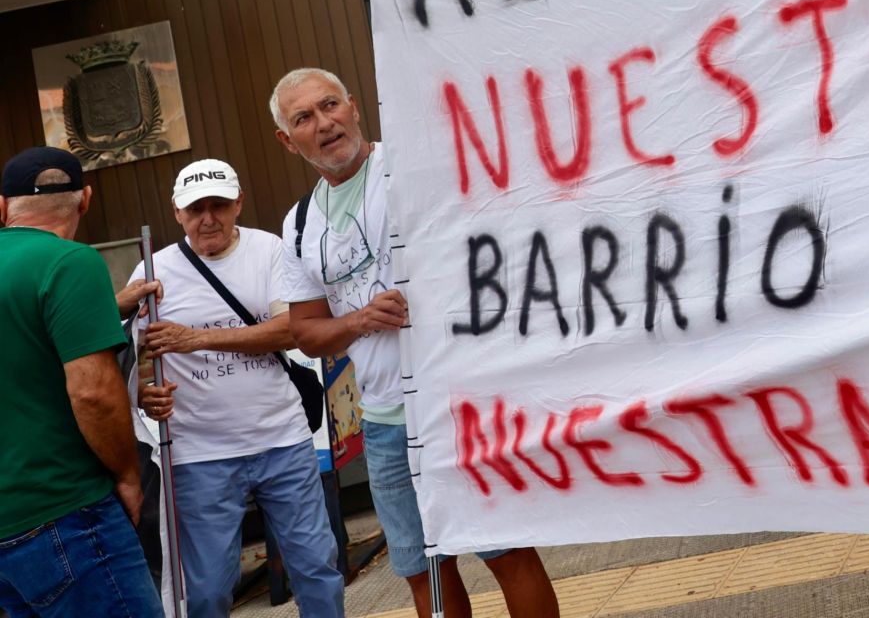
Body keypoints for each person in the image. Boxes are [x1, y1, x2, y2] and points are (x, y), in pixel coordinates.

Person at [270, 67, 559, 618]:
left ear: (353, 106)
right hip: (383, 422)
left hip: (459, 402)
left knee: (508, 553)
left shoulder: (412, 168)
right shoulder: (301, 222)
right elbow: (305, 330)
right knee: (423, 568)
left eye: (330, 105)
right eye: (303, 118)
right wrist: (357, 321)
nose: (324, 123)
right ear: (288, 140)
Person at [131, 158, 345, 618]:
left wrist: (197, 338)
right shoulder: (151, 272)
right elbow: (132, 358)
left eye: (219, 205)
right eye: (196, 209)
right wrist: (144, 392)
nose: (208, 218)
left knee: (317, 569)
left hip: (282, 439)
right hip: (197, 454)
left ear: (239, 203)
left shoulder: (269, 250)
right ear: (176, 212)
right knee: (206, 591)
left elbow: (292, 329)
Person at [0, 147, 164, 618]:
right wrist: (129, 475)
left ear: (4, 207)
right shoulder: (72, 263)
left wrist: (104, 308)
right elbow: (92, 392)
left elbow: (25, 335)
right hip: (66, 512)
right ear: (86, 200)